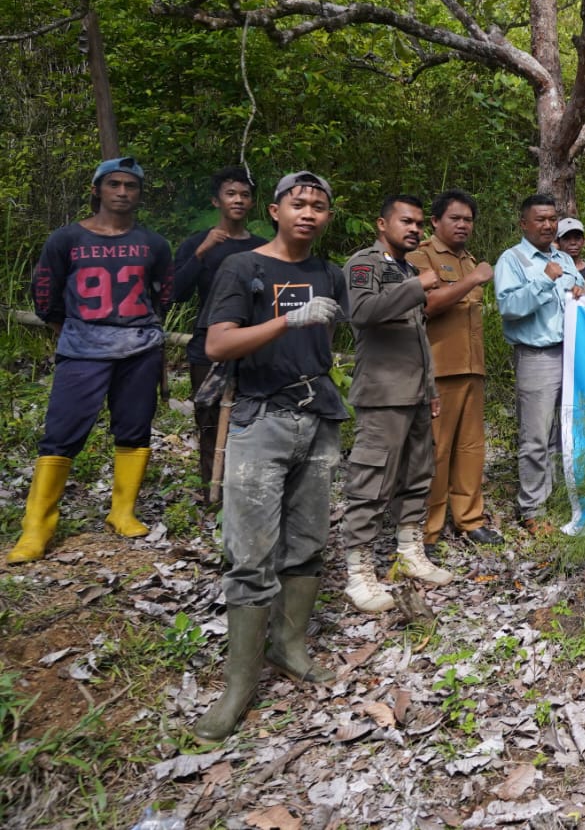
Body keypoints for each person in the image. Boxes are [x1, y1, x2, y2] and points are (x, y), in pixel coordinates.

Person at [191, 171, 345, 741]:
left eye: (319, 206)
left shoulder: (326, 273)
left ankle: (291, 647)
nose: (308, 212)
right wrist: (287, 319)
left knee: (307, 543)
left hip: (318, 416)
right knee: (250, 552)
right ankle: (238, 686)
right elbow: (216, 343)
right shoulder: (244, 267)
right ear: (275, 211)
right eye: (297, 203)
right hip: (260, 420)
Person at [9, 157, 173, 564]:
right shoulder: (66, 239)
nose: (122, 192)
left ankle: (122, 511)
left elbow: (164, 292)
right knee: (61, 434)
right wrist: (62, 327)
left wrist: (146, 329)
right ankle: (37, 527)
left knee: (134, 428)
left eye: (130, 186)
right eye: (114, 184)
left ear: (139, 194)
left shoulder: (154, 243)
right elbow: (45, 287)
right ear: (97, 189)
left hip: (138, 348)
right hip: (82, 348)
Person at [339, 195, 450, 613]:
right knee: (372, 481)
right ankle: (359, 571)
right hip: (383, 393)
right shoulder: (365, 264)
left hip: (417, 393)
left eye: (420, 223)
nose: (415, 229)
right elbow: (362, 311)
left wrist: (432, 389)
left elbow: (418, 337)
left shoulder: (405, 268)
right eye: (406, 221)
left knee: (418, 474)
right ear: (381, 223)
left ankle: (409, 549)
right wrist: (415, 287)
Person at [410, 190, 502, 555]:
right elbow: (427, 305)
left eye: (468, 219)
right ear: (435, 221)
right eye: (455, 218)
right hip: (437, 370)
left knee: (470, 449)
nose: (463, 225)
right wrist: (474, 280)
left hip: (471, 368)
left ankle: (469, 519)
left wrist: (472, 274)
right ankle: (427, 531)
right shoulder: (422, 256)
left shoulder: (470, 260)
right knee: (436, 450)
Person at [173, 166, 267, 496]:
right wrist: (201, 252)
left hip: (253, 345)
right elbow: (175, 293)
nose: (238, 200)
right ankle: (211, 492)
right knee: (208, 417)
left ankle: (244, 491)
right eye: (231, 194)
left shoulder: (263, 247)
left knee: (254, 418)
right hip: (207, 344)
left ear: (252, 202)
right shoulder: (197, 243)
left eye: (244, 195)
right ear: (217, 201)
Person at [497, 194, 583, 531]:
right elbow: (509, 307)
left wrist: (581, 291)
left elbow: (579, 293)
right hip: (537, 356)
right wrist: (545, 279)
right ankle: (531, 509)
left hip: (571, 353)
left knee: (562, 434)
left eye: (552, 219)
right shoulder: (512, 259)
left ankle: (556, 500)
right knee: (535, 436)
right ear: (524, 224)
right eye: (540, 219)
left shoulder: (565, 257)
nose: (548, 225)